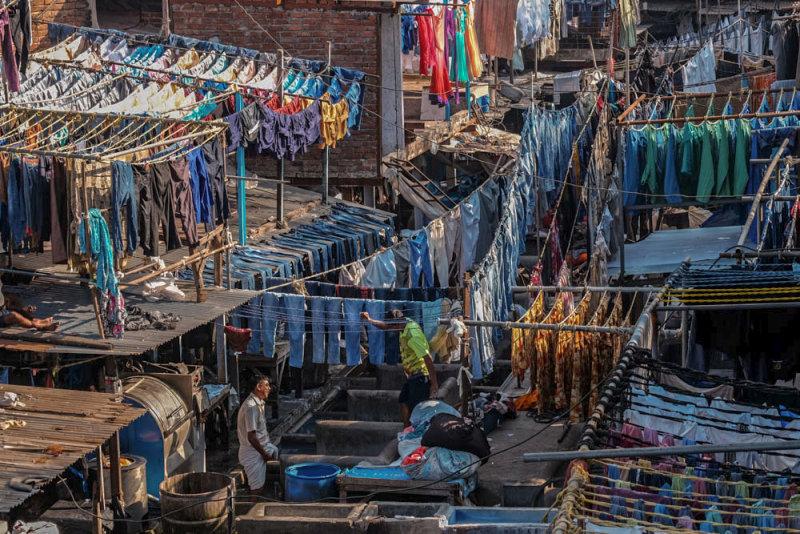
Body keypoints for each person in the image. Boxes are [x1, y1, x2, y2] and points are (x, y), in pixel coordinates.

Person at [361, 309, 438, 427]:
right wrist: (370, 320)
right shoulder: (404, 323)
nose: (391, 331)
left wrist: (434, 384)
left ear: (397, 324)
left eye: (392, 328)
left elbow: (427, 357)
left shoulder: (412, 335)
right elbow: (386, 327)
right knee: (403, 401)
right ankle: (407, 430)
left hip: (421, 375)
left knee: (415, 409)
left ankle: (414, 434)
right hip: (412, 374)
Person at [237, 377, 279, 495]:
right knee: (256, 489)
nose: (269, 388)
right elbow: (251, 437)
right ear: (258, 387)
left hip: (263, 446)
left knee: (275, 451)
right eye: (266, 385)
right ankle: (253, 506)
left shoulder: (258, 403)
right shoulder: (251, 407)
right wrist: (263, 453)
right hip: (252, 452)